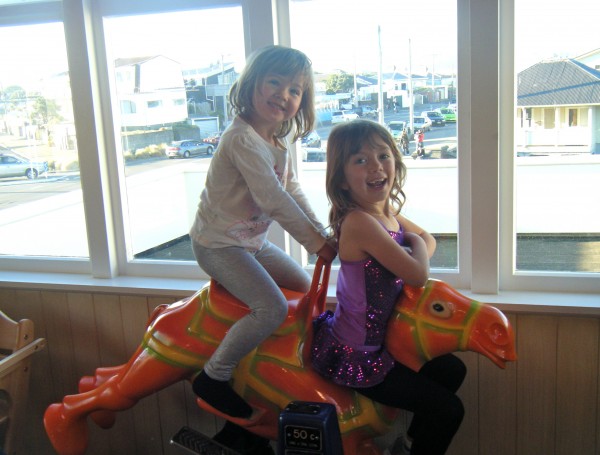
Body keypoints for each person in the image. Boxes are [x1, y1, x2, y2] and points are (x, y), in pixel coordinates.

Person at [189, 45, 337, 420]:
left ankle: (274, 355)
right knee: (270, 307)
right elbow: (271, 199)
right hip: (218, 244)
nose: (283, 95)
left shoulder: (280, 137)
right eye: (275, 82)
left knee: (303, 285)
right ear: (253, 83)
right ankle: (214, 376)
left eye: (295, 90)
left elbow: (291, 188)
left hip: (250, 242)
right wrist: (317, 243)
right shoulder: (241, 139)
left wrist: (322, 231)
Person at [311, 120, 466, 455]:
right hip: (359, 353)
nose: (377, 166)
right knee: (449, 410)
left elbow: (429, 240)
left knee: (453, 370)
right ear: (341, 178)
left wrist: (415, 242)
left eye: (383, 155)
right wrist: (413, 242)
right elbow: (417, 273)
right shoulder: (359, 222)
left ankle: (409, 445)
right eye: (361, 160)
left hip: (386, 342)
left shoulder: (385, 214)